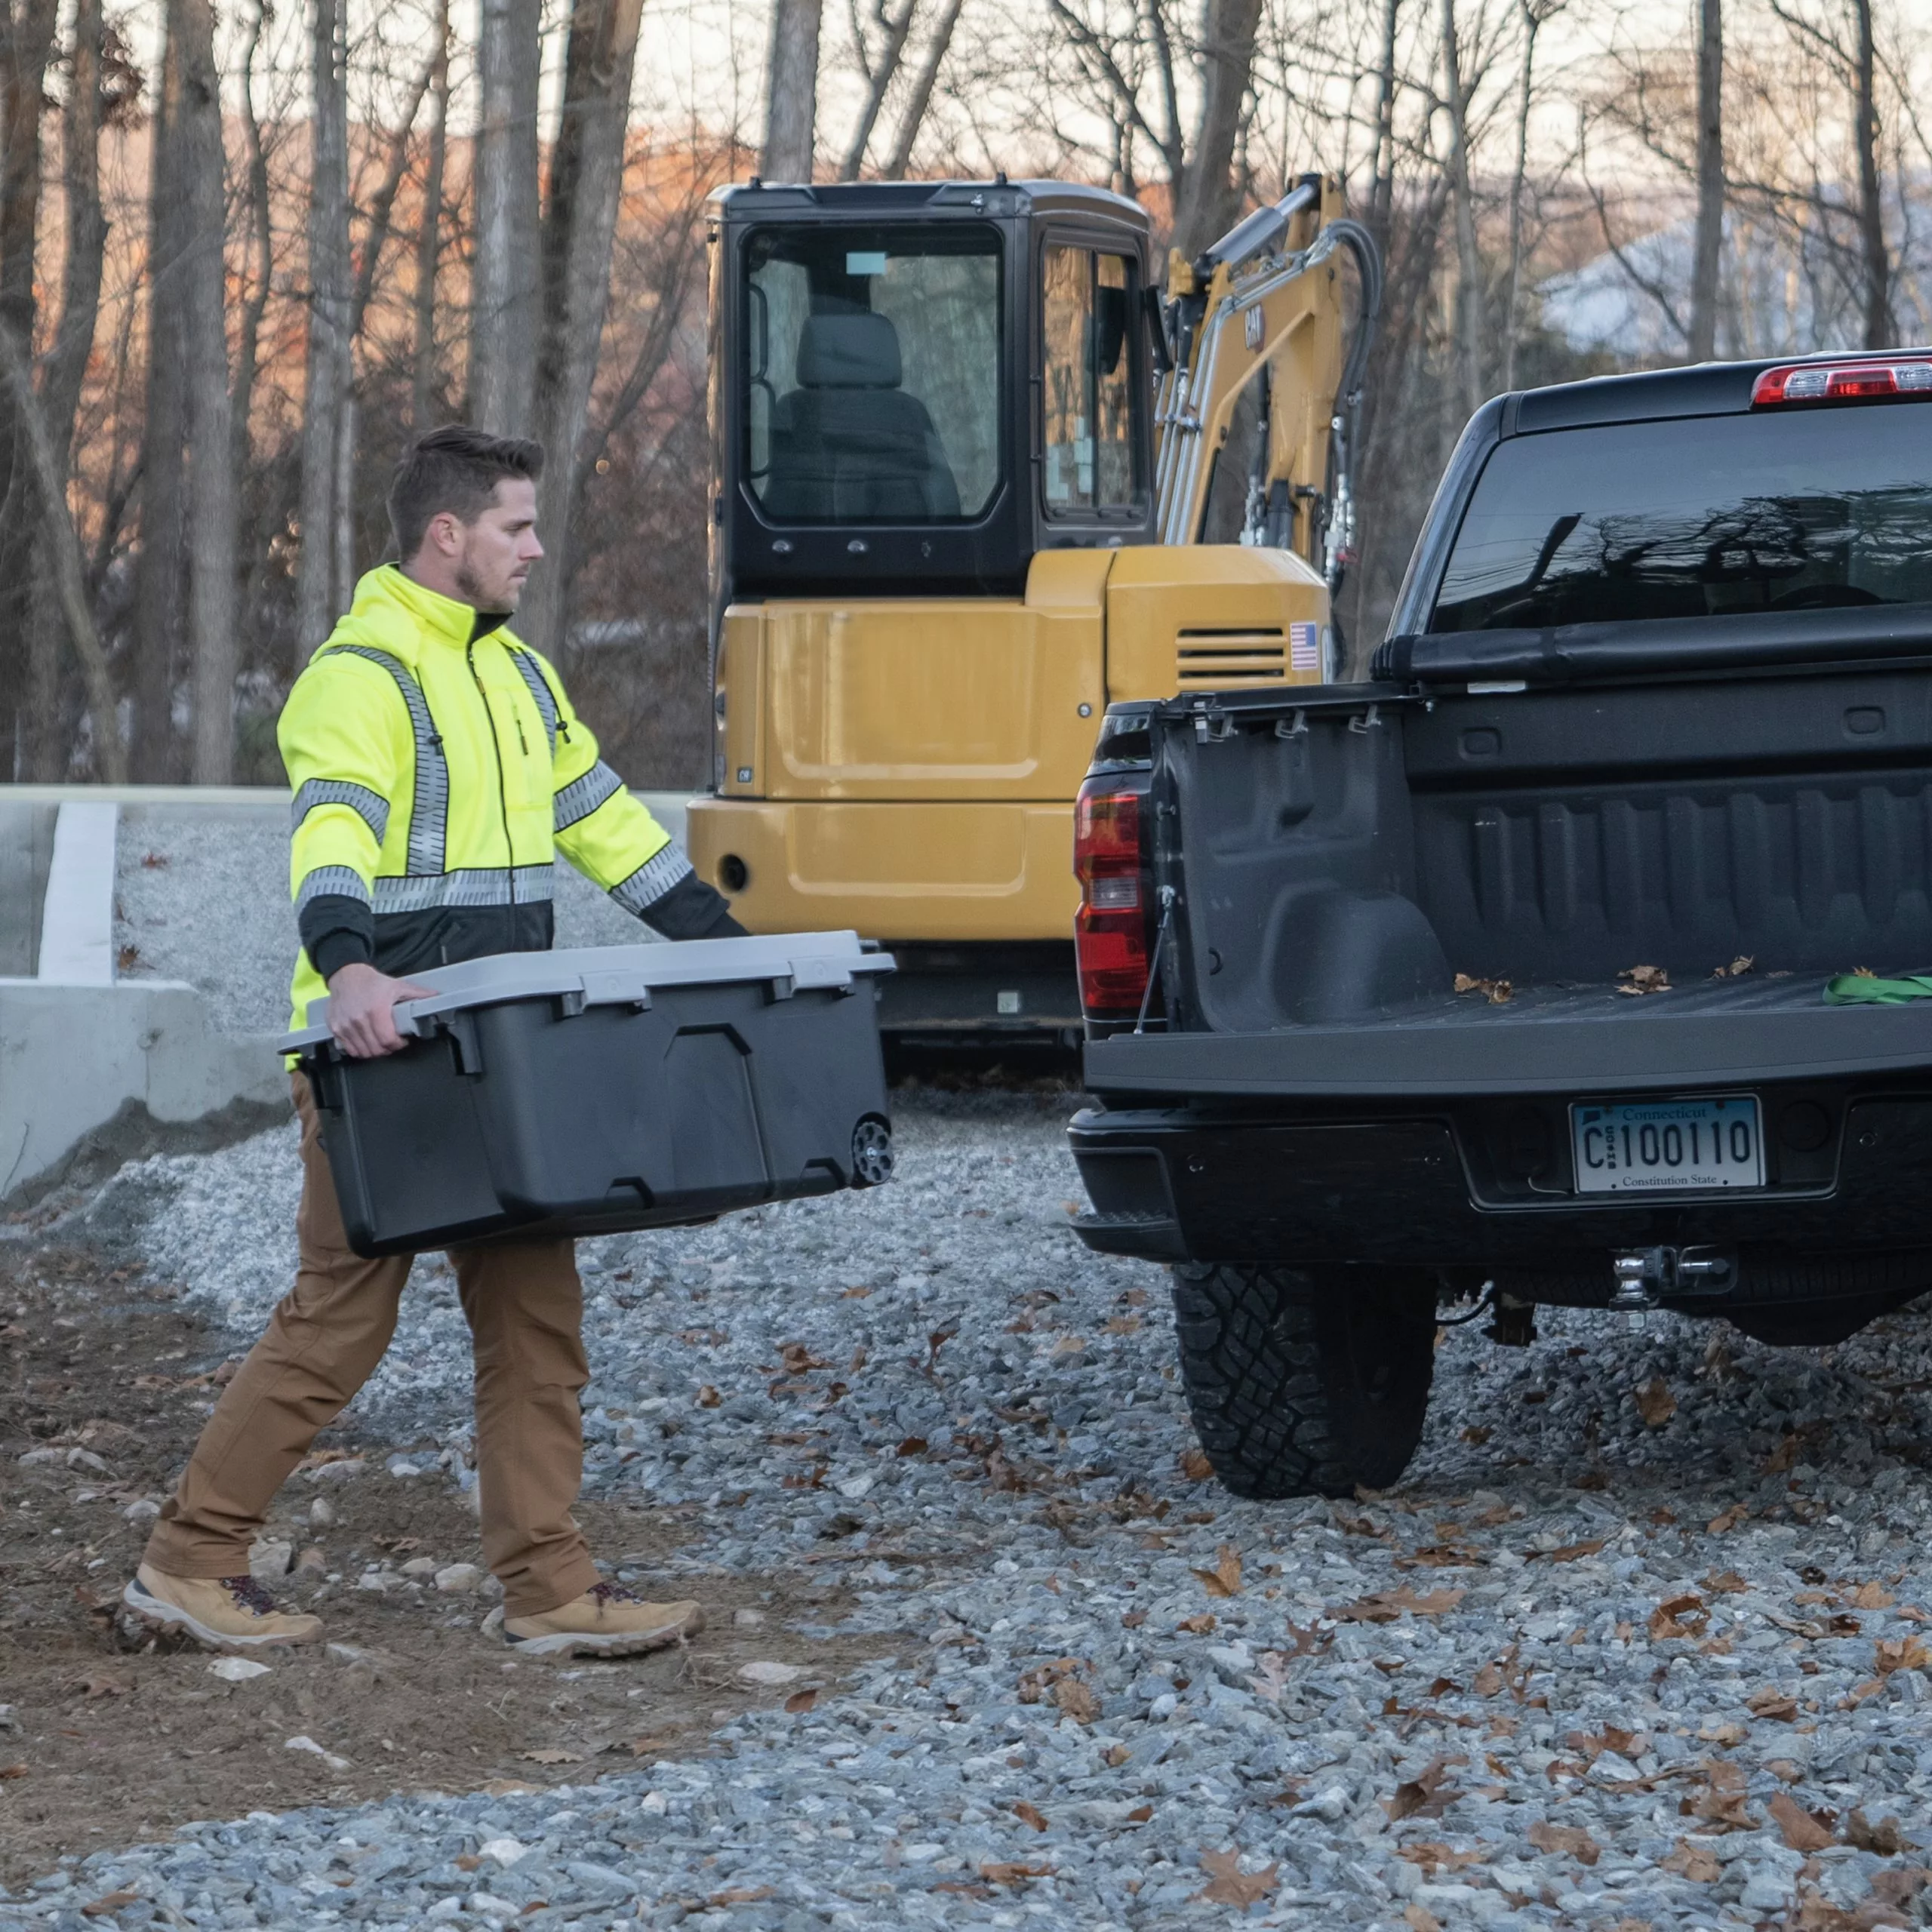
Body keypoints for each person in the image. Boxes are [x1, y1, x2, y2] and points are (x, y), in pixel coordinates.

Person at [124, 426, 744, 1658]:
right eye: (517, 526)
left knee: (535, 1320)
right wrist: (348, 961)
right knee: (339, 1321)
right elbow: (333, 831)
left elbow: (602, 819)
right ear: (448, 536)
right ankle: (189, 1562)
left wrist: (721, 939)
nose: (535, 548)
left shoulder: (518, 676)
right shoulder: (361, 674)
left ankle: (550, 1587)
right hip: (383, 1059)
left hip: (508, 1062)